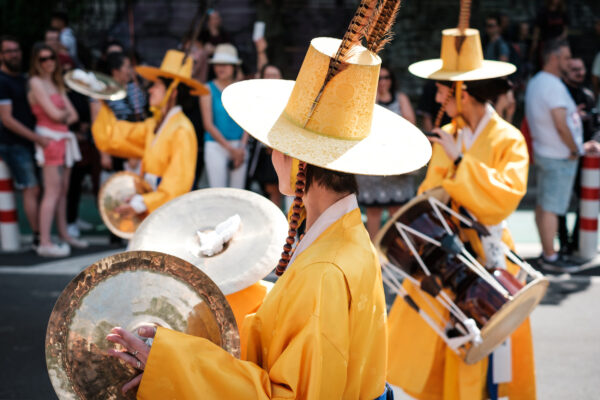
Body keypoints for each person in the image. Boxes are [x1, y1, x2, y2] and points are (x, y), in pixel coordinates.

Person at [104, 28, 430, 398]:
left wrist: (171, 362)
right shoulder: (346, 234)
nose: (272, 154)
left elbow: (289, 394)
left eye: (277, 144)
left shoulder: (324, 270)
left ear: (297, 160)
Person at [388, 17, 536, 399]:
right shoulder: (448, 135)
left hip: (487, 254)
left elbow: (504, 198)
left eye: (443, 91)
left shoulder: (509, 139)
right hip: (446, 252)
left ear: (463, 92)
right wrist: (451, 165)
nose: (438, 99)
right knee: (437, 346)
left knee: (486, 350)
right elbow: (429, 194)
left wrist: (460, 165)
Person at [92, 49, 205, 217]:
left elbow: (177, 186)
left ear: (172, 92)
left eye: (157, 85)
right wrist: (100, 95)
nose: (150, 90)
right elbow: (112, 137)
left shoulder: (182, 130)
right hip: (150, 206)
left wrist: (142, 203)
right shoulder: (153, 125)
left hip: (167, 215)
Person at [525, 39, 583, 271]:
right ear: (554, 58)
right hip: (558, 155)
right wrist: (574, 148)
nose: (570, 62)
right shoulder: (551, 84)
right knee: (550, 208)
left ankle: (548, 253)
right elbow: (560, 123)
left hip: (546, 152)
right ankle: (550, 257)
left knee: (545, 207)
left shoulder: (539, 82)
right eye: (567, 57)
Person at [28, 42, 84, 257]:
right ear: (36, 62)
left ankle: (63, 235)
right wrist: (62, 114)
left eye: (51, 57)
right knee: (52, 191)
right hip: (50, 141)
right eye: (43, 59)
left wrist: (61, 114)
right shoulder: (35, 82)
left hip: (63, 140)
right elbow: (56, 114)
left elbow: (73, 115)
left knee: (62, 190)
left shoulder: (56, 82)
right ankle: (45, 241)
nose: (49, 62)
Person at [0, 36, 49, 249]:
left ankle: (41, 234)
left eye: (17, 50)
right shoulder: (2, 81)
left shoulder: (23, 79)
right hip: (14, 143)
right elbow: (7, 119)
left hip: (30, 142)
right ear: (1, 55)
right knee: (32, 189)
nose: (14, 54)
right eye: (9, 51)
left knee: (36, 189)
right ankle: (39, 236)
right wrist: (37, 137)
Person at [356, 65, 417, 238]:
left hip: (396, 160)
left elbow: (411, 125)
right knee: (373, 212)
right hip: (373, 161)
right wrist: (373, 99)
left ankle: (398, 250)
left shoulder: (400, 98)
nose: (383, 82)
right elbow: (362, 122)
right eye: (379, 78)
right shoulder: (368, 98)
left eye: (386, 78)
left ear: (392, 80)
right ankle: (374, 253)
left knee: (398, 210)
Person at [558, 57, 599, 255]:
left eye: (581, 69)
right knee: (560, 204)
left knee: (585, 200)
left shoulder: (588, 96)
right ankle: (563, 243)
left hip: (585, 161)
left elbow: (596, 126)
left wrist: (595, 142)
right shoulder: (560, 95)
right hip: (565, 156)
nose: (579, 73)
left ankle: (576, 243)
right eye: (574, 69)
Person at [200, 43, 248, 189]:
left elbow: (248, 120)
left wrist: (241, 148)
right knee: (218, 191)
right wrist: (231, 149)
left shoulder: (242, 88)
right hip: (216, 145)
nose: (221, 68)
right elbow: (208, 124)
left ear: (234, 67)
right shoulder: (207, 89)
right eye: (218, 64)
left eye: (226, 64)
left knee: (238, 192)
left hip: (240, 145)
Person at [247, 63, 283, 207]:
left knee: (278, 188)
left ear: (281, 78)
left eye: (274, 75)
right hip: (261, 151)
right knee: (267, 187)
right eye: (267, 75)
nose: (271, 78)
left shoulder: (288, 98)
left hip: (281, 149)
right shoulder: (256, 98)